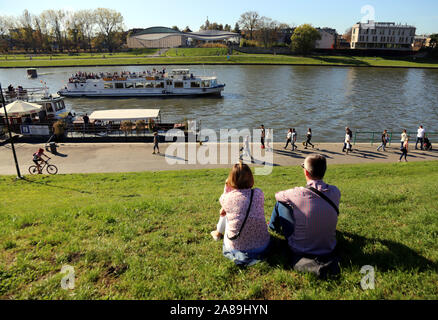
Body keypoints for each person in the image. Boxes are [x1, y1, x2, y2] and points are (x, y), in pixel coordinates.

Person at [269, 154, 341, 272]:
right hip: (329, 247)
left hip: (299, 248)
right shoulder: (335, 191)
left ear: (306, 172)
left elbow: (277, 196)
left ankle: (272, 228)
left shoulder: (298, 193)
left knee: (281, 204)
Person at [211, 163, 271, 266]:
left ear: (231, 179)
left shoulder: (226, 198)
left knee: (226, 214)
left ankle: (218, 232)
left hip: (237, 247)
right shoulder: (258, 193)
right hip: (262, 246)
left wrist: (226, 188)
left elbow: (222, 212)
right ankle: (218, 232)